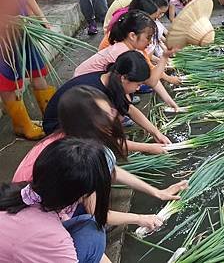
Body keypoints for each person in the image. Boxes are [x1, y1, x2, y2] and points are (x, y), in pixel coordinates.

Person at [13, 86, 188, 231]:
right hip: (33, 216)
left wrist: (157, 192)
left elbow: (111, 169)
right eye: (107, 112)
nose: (115, 113)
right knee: (93, 231)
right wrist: (141, 219)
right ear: (89, 122)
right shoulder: (79, 158)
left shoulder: (76, 139)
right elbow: (97, 213)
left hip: (32, 200)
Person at [1, 138, 111, 263]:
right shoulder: (53, 238)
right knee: (93, 235)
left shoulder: (21, 193)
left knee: (87, 225)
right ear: (83, 195)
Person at [44, 51, 172, 149]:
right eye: (137, 84)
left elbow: (130, 109)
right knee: (97, 146)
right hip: (58, 130)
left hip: (78, 121)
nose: (138, 88)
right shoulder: (95, 95)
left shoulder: (111, 79)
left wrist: (156, 133)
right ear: (124, 78)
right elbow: (105, 139)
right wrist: (148, 148)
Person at [77, 10, 179, 109]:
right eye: (148, 37)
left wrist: (169, 100)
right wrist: (164, 57)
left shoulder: (132, 50)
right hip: (83, 90)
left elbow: (151, 77)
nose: (150, 42)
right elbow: (151, 81)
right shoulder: (123, 52)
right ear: (132, 36)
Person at [0, 0, 56, 140]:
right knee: (6, 78)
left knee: (37, 71)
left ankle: (51, 117)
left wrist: (41, 17)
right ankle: (22, 125)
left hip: (24, 25)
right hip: (4, 34)